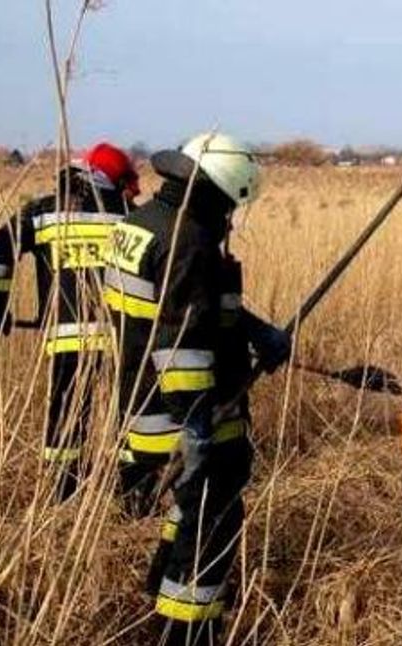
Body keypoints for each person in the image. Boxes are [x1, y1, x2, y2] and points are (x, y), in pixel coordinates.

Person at [104, 132, 290, 644]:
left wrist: (255, 331)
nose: (232, 216)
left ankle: (160, 595)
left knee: (188, 516)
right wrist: (198, 428)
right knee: (211, 526)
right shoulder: (189, 241)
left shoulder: (141, 223)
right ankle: (186, 633)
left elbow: (192, 307)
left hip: (141, 407)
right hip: (183, 419)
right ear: (213, 192)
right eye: (231, 202)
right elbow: (180, 344)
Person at [0, 142, 140, 500]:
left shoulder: (45, 213)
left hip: (68, 342)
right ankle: (132, 493)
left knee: (66, 419)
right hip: (123, 340)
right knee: (127, 418)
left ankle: (65, 494)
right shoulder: (131, 216)